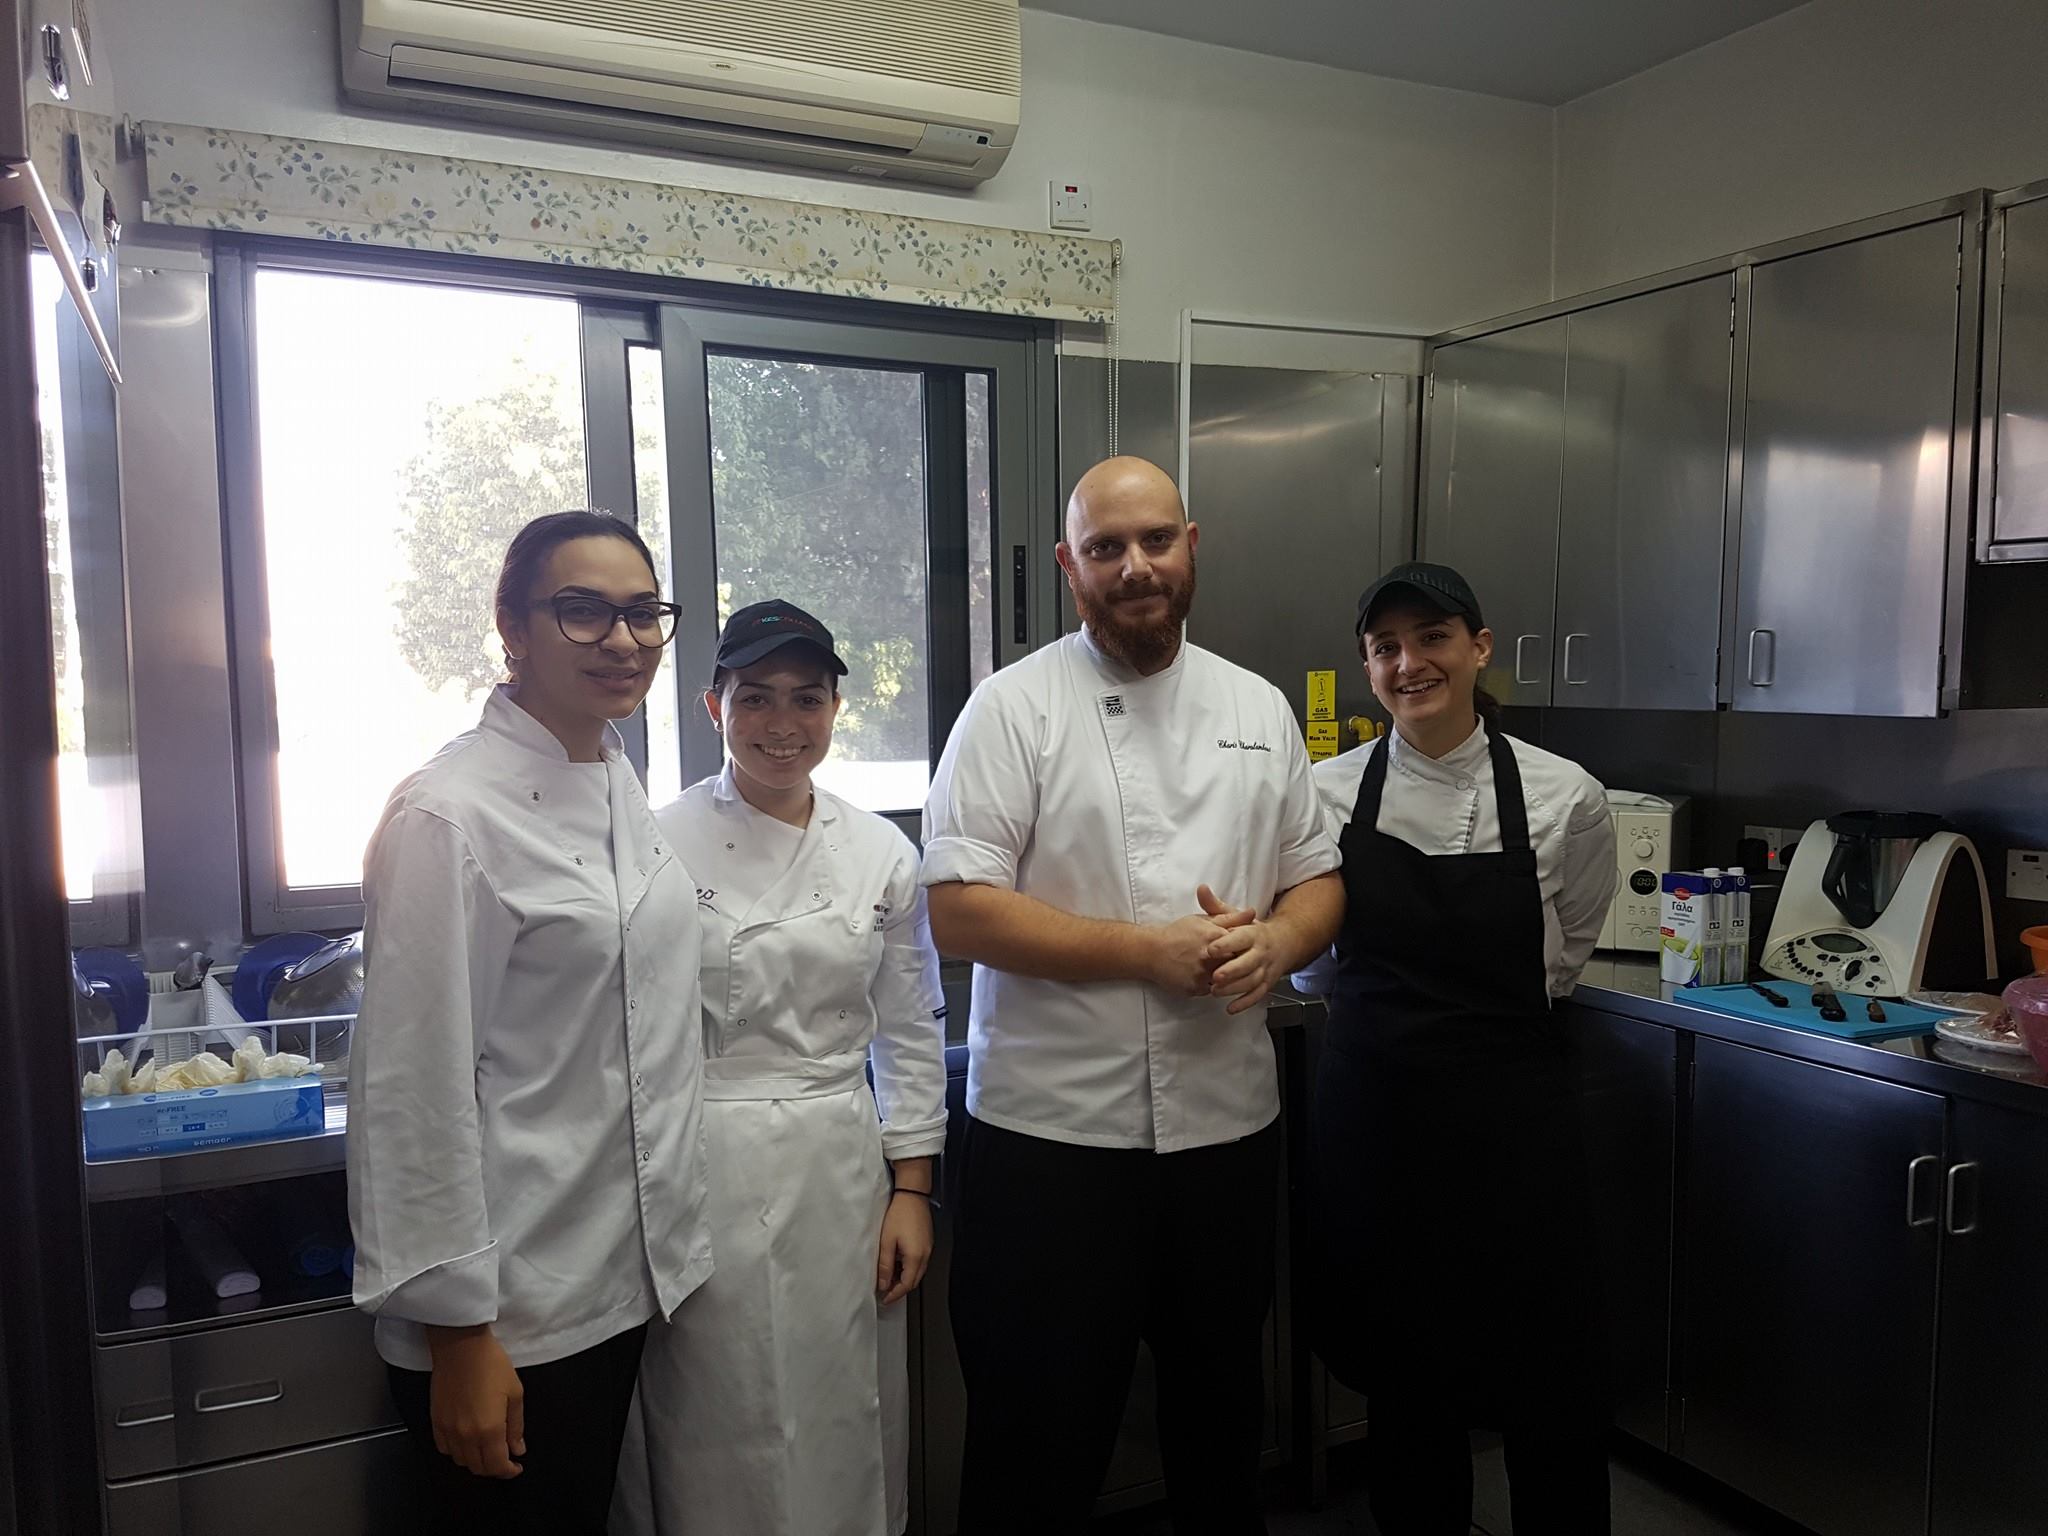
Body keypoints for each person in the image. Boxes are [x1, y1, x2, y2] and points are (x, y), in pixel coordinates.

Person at [922, 456, 1345, 1535]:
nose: (1135, 566)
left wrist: (1278, 942)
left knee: (1219, 1431)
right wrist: (1145, 954)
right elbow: (959, 912)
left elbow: (1318, 879)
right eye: (1105, 548)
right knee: (1034, 1444)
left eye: (1155, 540)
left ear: (1189, 547)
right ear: (1071, 567)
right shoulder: (1011, 710)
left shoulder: (1256, 706)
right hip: (1052, 1144)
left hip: (1222, 1135)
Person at [347, 510, 714, 1535]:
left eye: (643, 613)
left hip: (611, 1282)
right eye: (582, 611)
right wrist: (458, 1335)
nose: (623, 640)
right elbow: (410, 1093)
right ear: (511, 627)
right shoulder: (450, 815)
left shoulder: (611, 773)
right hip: (503, 1319)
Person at [612, 599, 948, 1536]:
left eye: (807, 699)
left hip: (840, 1167)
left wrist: (912, 1189)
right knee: (710, 1405)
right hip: (697, 1163)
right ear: (713, 707)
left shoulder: (880, 851)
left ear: (837, 708)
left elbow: (908, 1030)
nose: (782, 724)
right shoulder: (653, 840)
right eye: (755, 697)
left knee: (842, 1403)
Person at [1297, 561, 1618, 1536]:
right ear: (1366, 667)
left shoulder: (1565, 795)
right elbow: (1313, 967)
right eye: (1385, 647)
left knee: (1550, 1388)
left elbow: (1565, 952)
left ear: (1478, 649)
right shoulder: (1322, 796)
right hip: (1379, 1138)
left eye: (1432, 638)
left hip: (1515, 1137)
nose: (1410, 663)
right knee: (1409, 1390)